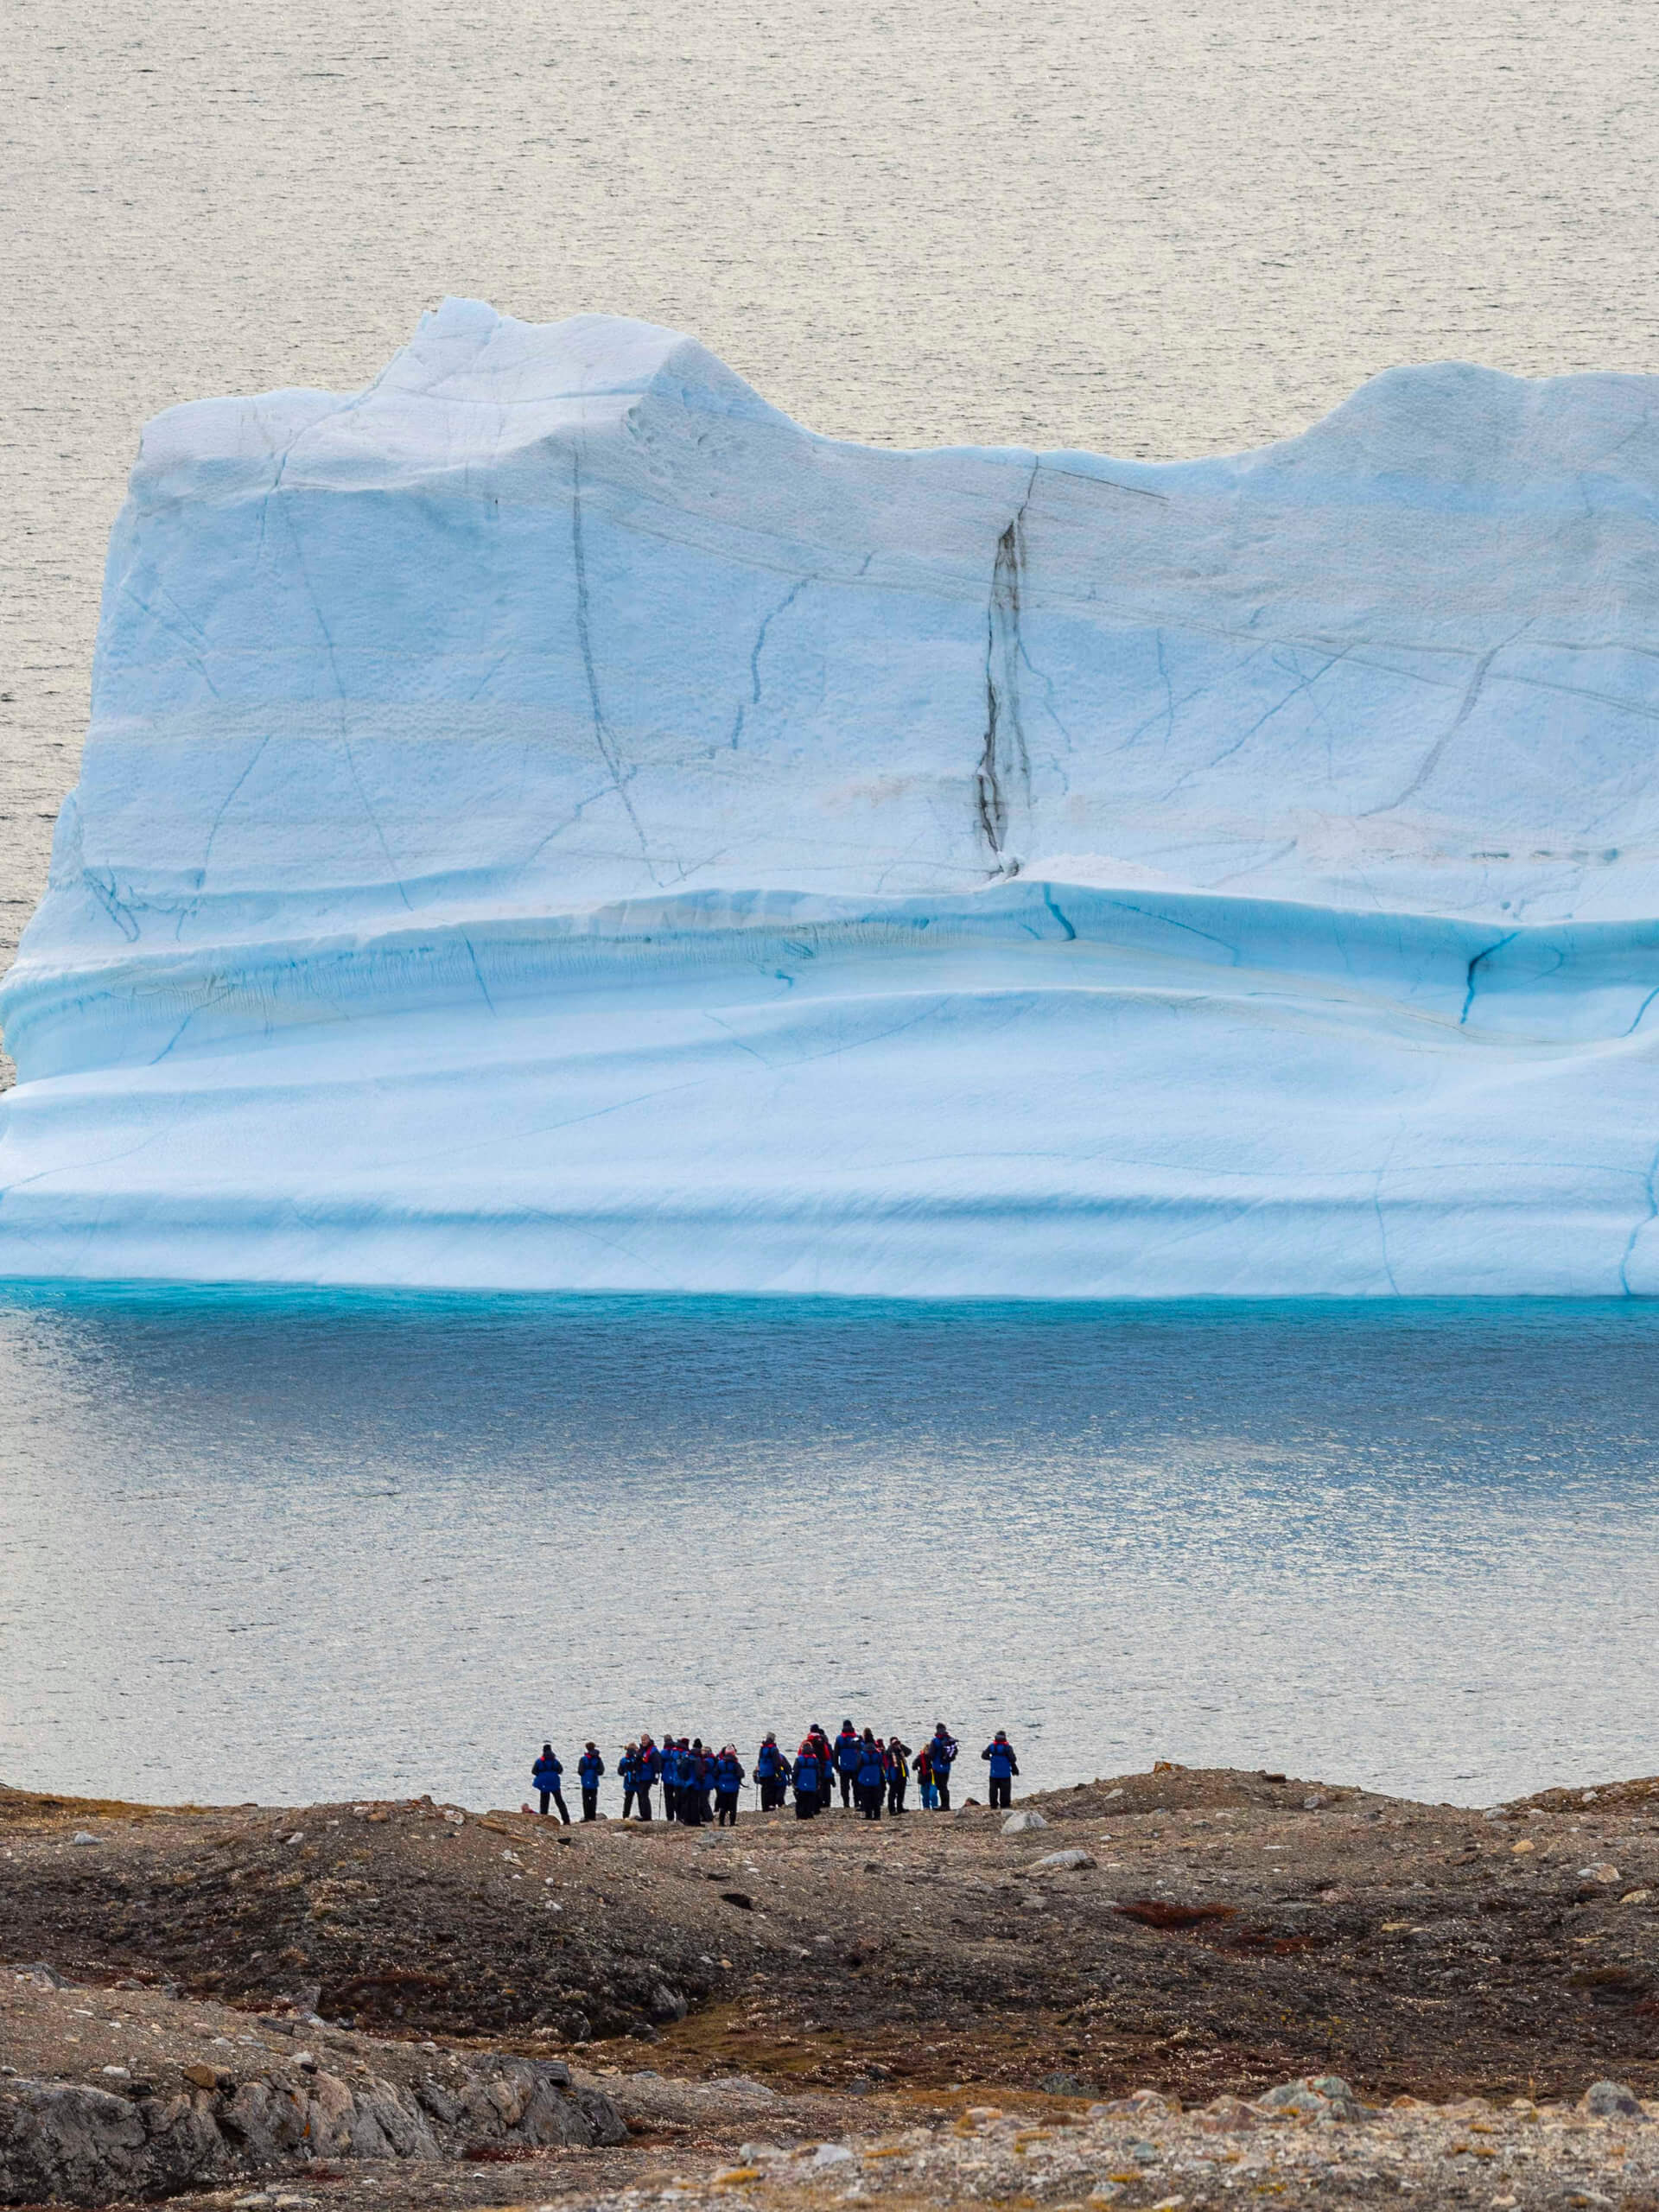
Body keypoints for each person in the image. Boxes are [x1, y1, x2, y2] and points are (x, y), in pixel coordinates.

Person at [532, 1742, 571, 1823]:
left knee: (544, 1802)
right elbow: (560, 1770)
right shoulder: (555, 1761)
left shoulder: (540, 1761)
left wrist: (542, 1774)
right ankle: (566, 1820)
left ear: (543, 1751)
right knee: (559, 1801)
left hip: (544, 1783)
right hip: (554, 1782)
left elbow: (534, 1771)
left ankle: (544, 1820)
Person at [981, 1729, 1019, 1809]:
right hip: (1005, 1774)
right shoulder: (1008, 1747)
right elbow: (1013, 1759)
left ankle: (993, 1805)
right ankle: (1005, 1805)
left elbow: (984, 1756)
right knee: (1005, 1791)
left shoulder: (992, 1746)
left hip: (994, 1773)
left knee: (993, 1791)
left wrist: (991, 1758)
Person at [929, 1721, 960, 1811]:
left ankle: (944, 1805)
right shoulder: (950, 1739)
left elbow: (931, 1754)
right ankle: (946, 1804)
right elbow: (955, 1752)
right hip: (947, 1767)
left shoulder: (935, 1741)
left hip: (937, 1767)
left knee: (941, 1786)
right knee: (944, 1786)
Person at [855, 1729, 886, 1820]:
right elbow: (881, 1764)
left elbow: (858, 1766)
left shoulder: (862, 1753)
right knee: (876, 1797)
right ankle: (877, 1815)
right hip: (875, 1776)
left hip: (864, 1777)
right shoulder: (878, 1753)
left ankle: (868, 1815)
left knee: (866, 1796)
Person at [715, 1744, 746, 1825]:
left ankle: (721, 1823)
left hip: (722, 1787)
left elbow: (715, 1774)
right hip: (733, 1787)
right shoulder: (736, 1764)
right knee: (733, 1805)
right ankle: (732, 1823)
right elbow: (741, 1774)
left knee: (723, 1805)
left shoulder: (720, 1763)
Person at [834, 1720, 862, 1809]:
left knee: (845, 1787)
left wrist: (836, 1767)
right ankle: (857, 1802)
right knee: (856, 1786)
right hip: (856, 1767)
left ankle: (846, 1803)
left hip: (844, 1767)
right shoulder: (857, 1738)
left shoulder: (839, 1739)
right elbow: (862, 1752)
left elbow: (835, 1755)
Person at [755, 1732, 786, 1811]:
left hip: (762, 1772)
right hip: (770, 1772)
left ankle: (764, 1807)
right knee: (771, 1789)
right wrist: (779, 1774)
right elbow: (777, 1763)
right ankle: (770, 1806)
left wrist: (759, 1770)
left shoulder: (762, 1748)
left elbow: (759, 1760)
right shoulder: (774, 1749)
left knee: (764, 1789)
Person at [792, 1738, 823, 1818]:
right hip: (812, 1783)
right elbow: (818, 1772)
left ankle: (800, 1814)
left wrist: (794, 1782)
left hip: (801, 1783)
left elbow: (795, 1772)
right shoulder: (815, 1759)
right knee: (810, 1799)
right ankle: (810, 1813)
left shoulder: (799, 1759)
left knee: (801, 1799)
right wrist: (818, 1782)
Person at [577, 1741, 606, 1821]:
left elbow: (580, 1771)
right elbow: (601, 1771)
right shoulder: (598, 1759)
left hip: (585, 1781)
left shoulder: (583, 1759)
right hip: (594, 1781)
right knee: (593, 1798)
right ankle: (593, 1816)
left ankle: (587, 1816)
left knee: (585, 1799)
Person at [810, 1725, 836, 1813]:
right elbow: (831, 1755)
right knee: (827, 1786)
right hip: (827, 1766)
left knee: (820, 1784)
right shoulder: (826, 1743)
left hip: (819, 1766)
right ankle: (827, 1802)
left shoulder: (814, 1742)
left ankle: (820, 1801)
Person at [634, 1735, 659, 1821]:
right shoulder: (642, 1750)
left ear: (649, 1740)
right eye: (642, 1740)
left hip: (648, 1775)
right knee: (641, 1795)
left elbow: (657, 1764)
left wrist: (656, 1777)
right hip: (641, 1775)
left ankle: (647, 1816)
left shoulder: (653, 1750)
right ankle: (643, 1814)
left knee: (644, 1795)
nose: (643, 1742)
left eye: (645, 1740)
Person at [887, 1735, 911, 1815]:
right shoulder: (890, 1750)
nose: (896, 1745)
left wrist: (901, 1746)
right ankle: (892, 1809)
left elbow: (909, 1752)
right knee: (892, 1793)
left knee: (901, 1792)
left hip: (902, 1774)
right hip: (893, 1775)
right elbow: (888, 1753)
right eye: (895, 1743)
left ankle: (900, 1807)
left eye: (897, 1743)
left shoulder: (901, 1750)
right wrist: (892, 1745)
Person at [620, 1742, 641, 1820]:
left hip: (628, 1783)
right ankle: (643, 1815)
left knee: (628, 1800)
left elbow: (620, 1772)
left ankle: (625, 1816)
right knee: (641, 1799)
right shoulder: (639, 1759)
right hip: (638, 1782)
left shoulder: (624, 1760)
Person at [915, 1739, 937, 1810]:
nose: (927, 1751)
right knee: (925, 1795)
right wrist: (916, 1766)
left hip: (932, 1778)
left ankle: (934, 1806)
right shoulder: (920, 1757)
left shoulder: (934, 1757)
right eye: (926, 1749)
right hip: (923, 1778)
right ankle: (926, 1807)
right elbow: (914, 1766)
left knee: (932, 1794)